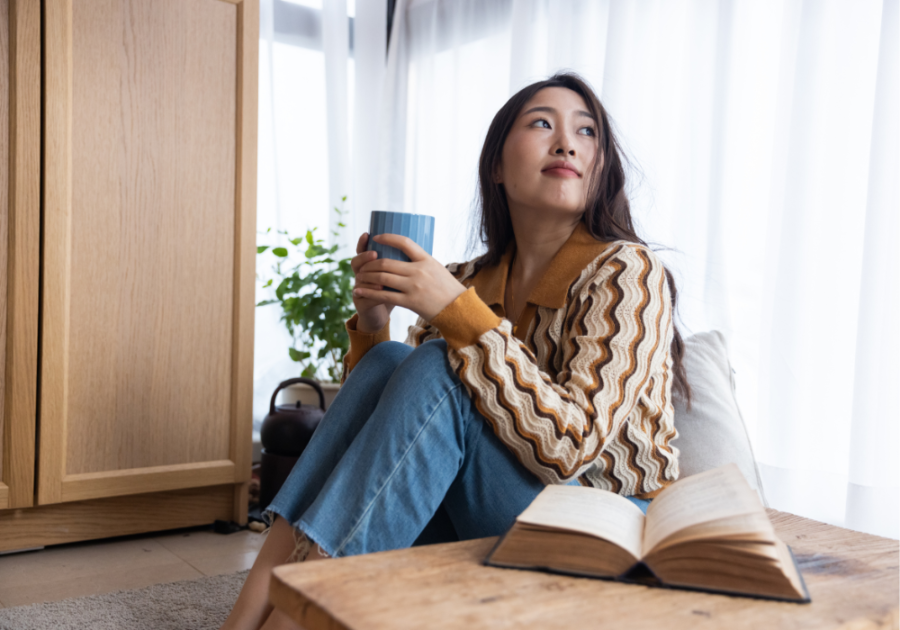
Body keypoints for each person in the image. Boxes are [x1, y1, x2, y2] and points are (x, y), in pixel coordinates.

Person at [221, 72, 691, 630]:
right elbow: (382, 444)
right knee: (395, 362)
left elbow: (571, 448)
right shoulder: (466, 278)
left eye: (587, 132)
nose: (567, 142)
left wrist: (459, 313)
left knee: (435, 366)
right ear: (496, 165)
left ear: (601, 165)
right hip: (492, 507)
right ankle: (244, 619)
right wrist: (373, 327)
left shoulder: (626, 271)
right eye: (543, 123)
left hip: (602, 527)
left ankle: (295, 619)